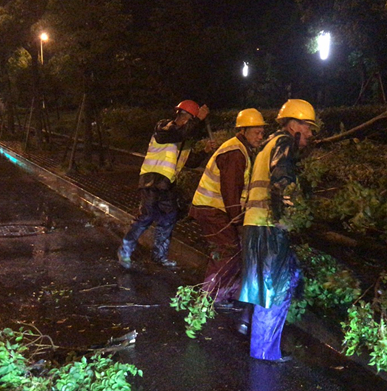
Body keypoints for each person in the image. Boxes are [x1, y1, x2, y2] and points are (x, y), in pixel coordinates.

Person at [238, 99, 318, 362]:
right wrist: (287, 217)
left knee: (264, 287)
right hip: (269, 227)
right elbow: (282, 182)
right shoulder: (284, 144)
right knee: (275, 289)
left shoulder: (267, 144)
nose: (310, 133)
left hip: (254, 225)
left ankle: (258, 343)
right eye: (307, 127)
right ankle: (265, 353)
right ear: (293, 125)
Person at [117, 100, 215, 268]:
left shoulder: (183, 140)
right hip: (152, 180)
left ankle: (159, 256)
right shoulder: (164, 127)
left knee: (168, 219)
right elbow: (176, 134)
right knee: (146, 216)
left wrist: (205, 151)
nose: (191, 124)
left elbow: (190, 162)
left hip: (167, 184)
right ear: (184, 116)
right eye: (191, 119)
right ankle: (125, 251)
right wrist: (198, 120)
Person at [189, 109, 267, 312]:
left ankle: (222, 293)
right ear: (243, 130)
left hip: (213, 209)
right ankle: (210, 297)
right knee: (227, 251)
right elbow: (231, 191)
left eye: (262, 132)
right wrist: (237, 221)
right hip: (213, 210)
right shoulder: (235, 153)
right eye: (256, 132)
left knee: (229, 251)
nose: (260, 136)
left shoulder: (240, 149)